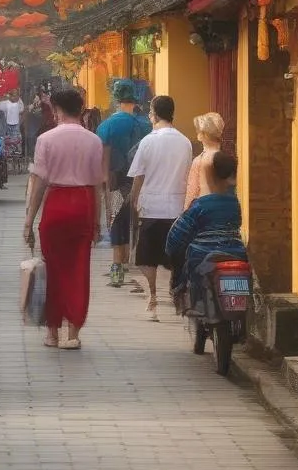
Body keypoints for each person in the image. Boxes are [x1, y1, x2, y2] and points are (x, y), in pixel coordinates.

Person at [23, 88, 104, 350]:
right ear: (81, 109)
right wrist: (97, 222)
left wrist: (29, 221)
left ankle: (52, 334)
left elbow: (39, 183)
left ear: (57, 109)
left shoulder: (46, 139)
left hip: (56, 204)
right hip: (83, 204)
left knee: (54, 270)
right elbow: (96, 186)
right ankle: (74, 333)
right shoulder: (93, 140)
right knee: (79, 269)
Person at [128, 96, 193, 321]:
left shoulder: (148, 141)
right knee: (176, 255)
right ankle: (176, 291)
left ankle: (152, 295)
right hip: (177, 207)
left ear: (154, 114)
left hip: (151, 206)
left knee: (147, 256)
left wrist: (134, 200)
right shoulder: (185, 142)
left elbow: (139, 176)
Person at [166, 151, 244, 313]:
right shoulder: (239, 203)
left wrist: (172, 251)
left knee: (188, 272)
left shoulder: (200, 205)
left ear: (210, 177)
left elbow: (178, 235)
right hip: (237, 254)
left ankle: (188, 299)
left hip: (203, 255)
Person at [96, 80, 152, 287]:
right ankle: (128, 260)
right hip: (141, 180)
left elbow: (103, 152)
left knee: (116, 220)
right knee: (134, 219)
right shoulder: (145, 124)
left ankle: (117, 266)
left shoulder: (107, 125)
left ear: (116, 100)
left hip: (115, 180)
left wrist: (102, 177)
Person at [185, 112, 226, 210]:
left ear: (204, 135)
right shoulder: (226, 158)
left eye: (198, 131)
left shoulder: (199, 161)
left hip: (204, 212)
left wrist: (185, 214)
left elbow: (192, 192)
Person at [0, 88, 26, 164]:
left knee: (16, 143)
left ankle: (16, 161)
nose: (13, 97)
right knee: (7, 144)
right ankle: (9, 161)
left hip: (16, 126)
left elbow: (22, 110)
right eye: (12, 95)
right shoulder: (4, 103)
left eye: (15, 95)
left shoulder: (19, 103)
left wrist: (20, 123)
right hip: (6, 126)